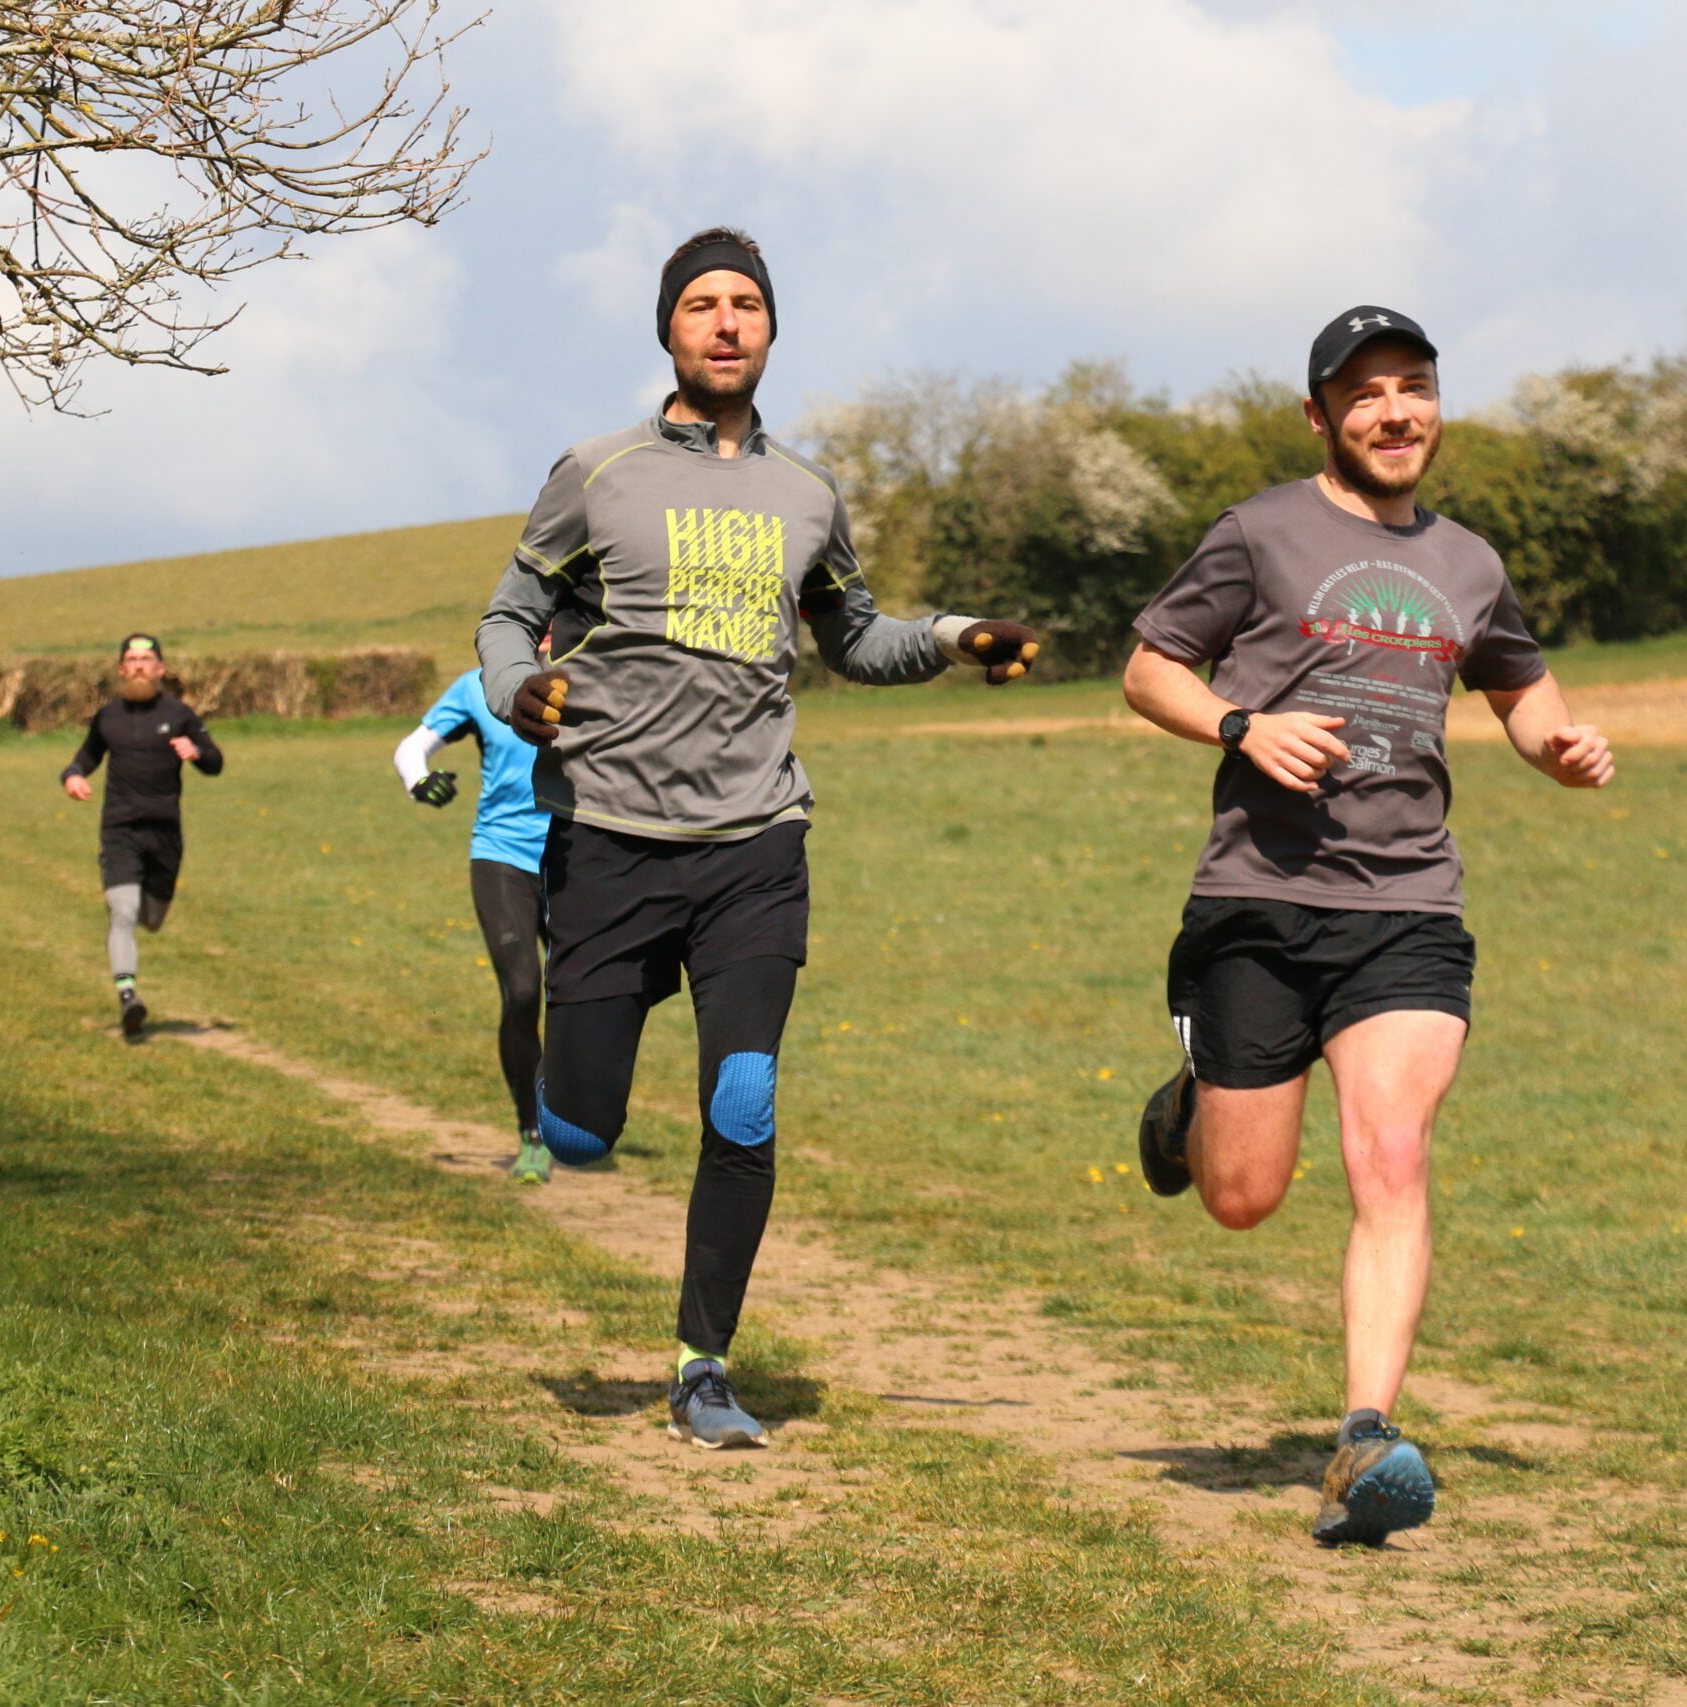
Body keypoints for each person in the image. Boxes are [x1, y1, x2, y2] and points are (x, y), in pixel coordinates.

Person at [477, 227, 1040, 1451]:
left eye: (746, 303)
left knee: (743, 1100)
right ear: (668, 329)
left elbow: (855, 637)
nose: (726, 322)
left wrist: (951, 636)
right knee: (579, 1128)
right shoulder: (597, 471)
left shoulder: (808, 495)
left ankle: (703, 1365)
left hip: (754, 844)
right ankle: (577, 1080)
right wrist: (517, 687)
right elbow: (508, 615)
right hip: (610, 836)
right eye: (701, 304)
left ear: (771, 328)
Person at [1123, 306, 1614, 1546]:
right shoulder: (1258, 533)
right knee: (1241, 1198)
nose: (1394, 412)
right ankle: (1191, 1101)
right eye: (1364, 394)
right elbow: (1149, 669)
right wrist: (1241, 726)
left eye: (1413, 388)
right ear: (1320, 417)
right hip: (1259, 899)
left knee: (1391, 1156)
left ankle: (1364, 1438)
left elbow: (1519, 687)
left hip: (1407, 906)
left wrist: (1556, 747)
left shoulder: (1469, 562)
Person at [394, 657, 553, 1185]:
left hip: (581, 859)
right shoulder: (479, 687)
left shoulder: (602, 675)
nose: (547, 630)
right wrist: (419, 781)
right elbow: (411, 748)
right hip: (502, 856)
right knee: (523, 991)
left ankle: (576, 1116)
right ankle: (532, 1132)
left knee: (583, 997)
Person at [61, 635, 224, 1037]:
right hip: (120, 831)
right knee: (123, 912)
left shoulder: (179, 714)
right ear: (121, 669)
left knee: (151, 920)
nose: (138, 665)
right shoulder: (109, 716)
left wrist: (197, 752)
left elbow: (215, 762)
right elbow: (86, 756)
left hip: (165, 834)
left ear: (160, 668)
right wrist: (73, 775)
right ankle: (128, 996)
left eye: (146, 659)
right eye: (131, 659)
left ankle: (132, 972)